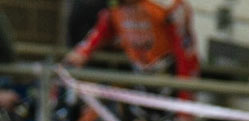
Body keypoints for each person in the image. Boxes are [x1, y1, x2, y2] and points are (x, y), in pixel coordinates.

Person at [66, 0, 199, 77]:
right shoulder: (115, 6)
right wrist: (83, 51)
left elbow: (186, 54)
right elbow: (103, 27)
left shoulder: (169, 6)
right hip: (136, 74)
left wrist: (185, 105)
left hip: (168, 75)